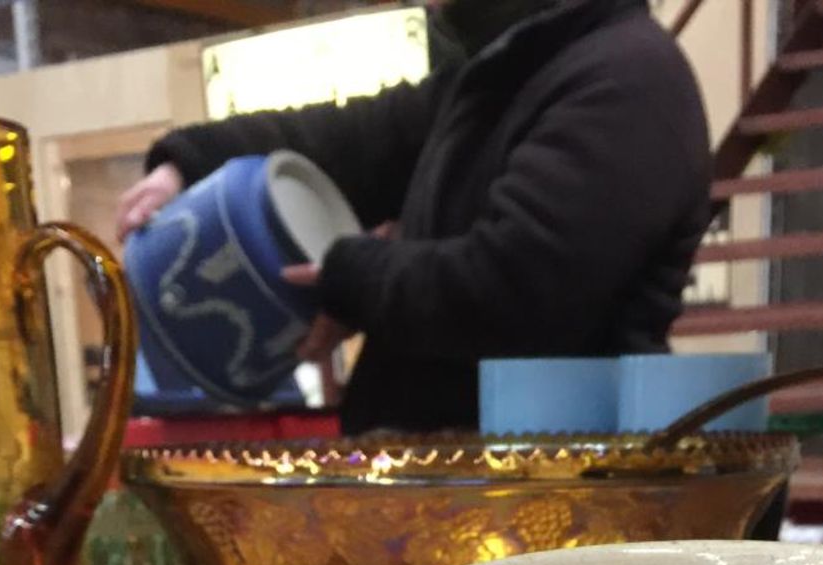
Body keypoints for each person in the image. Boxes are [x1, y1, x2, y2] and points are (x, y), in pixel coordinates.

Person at [117, 0, 711, 435]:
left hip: (548, 507)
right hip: (462, 495)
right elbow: (346, 139)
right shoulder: (499, 77)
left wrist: (347, 277)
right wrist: (186, 163)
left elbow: (512, 293)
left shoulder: (627, 77)